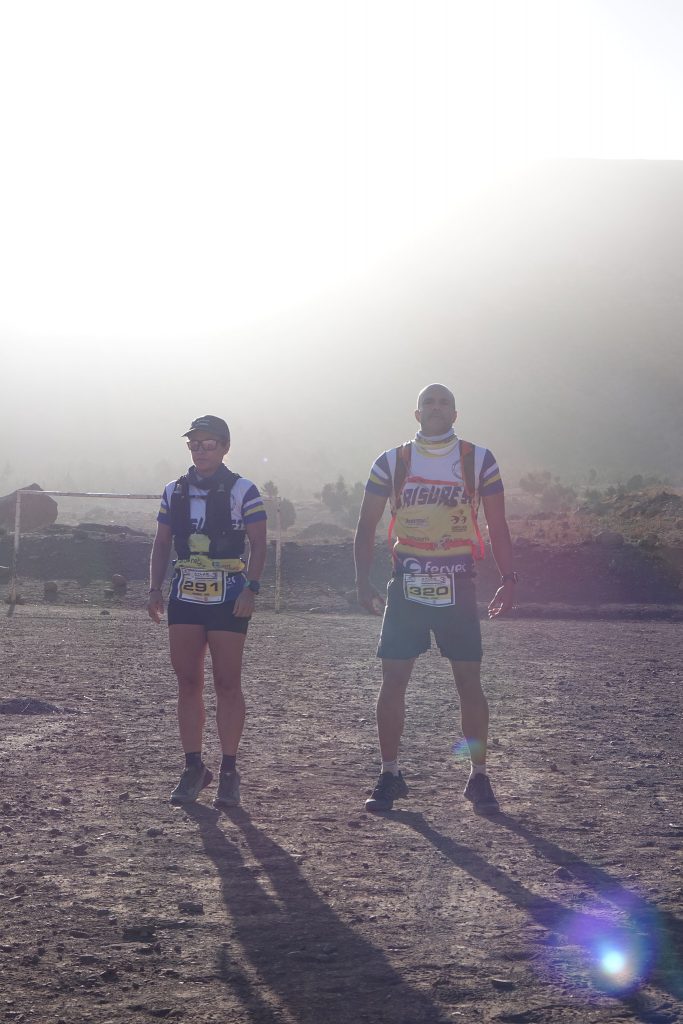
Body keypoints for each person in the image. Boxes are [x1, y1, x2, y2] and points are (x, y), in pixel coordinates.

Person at [354, 384, 516, 814]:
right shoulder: (391, 461)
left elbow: (498, 526)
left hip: (458, 582)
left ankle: (478, 777)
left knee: (469, 682)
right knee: (392, 681)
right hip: (406, 582)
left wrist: (509, 578)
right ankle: (389, 774)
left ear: (455, 414)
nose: (436, 408)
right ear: (417, 413)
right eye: (429, 402)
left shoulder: (479, 460)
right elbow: (366, 526)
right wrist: (361, 581)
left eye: (444, 403)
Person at [147, 415, 267, 808]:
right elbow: (161, 543)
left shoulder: (244, 490)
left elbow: (259, 544)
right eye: (194, 444)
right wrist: (154, 588)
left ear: (225, 447)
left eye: (208, 443)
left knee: (228, 683)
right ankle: (193, 767)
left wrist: (251, 588)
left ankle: (229, 771)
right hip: (185, 595)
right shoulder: (173, 491)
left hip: (229, 596)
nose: (200, 450)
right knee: (187, 682)